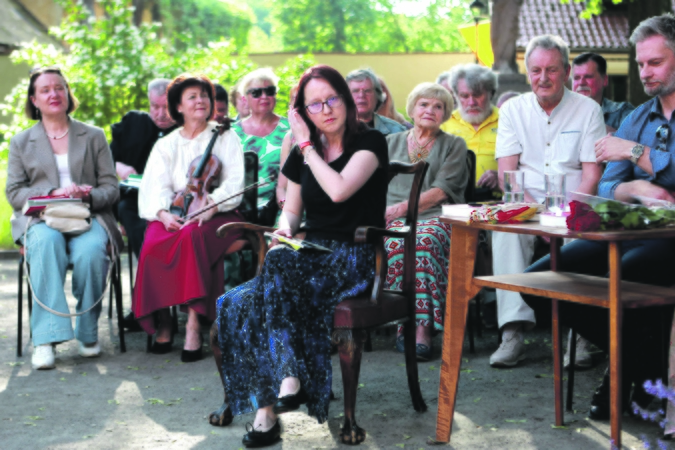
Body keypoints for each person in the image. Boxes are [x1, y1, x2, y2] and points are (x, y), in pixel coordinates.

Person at [209, 65, 388, 448]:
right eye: (314, 104)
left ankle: (288, 381)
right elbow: (291, 212)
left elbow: (339, 190)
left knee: (275, 268)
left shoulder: (370, 143)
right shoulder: (306, 150)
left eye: (331, 99)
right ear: (304, 112)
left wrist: (305, 145)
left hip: (352, 257)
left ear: (345, 98)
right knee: (236, 301)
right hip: (306, 258)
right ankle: (268, 409)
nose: (325, 110)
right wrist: (284, 231)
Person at [526, 15, 675, 427]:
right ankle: (636, 365)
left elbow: (625, 161)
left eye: (656, 63)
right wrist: (643, 189)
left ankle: (628, 380)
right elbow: (608, 188)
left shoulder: (631, 130)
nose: (645, 73)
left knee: (624, 277)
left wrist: (638, 156)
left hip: (671, 238)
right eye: (641, 64)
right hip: (629, 227)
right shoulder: (639, 117)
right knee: (542, 278)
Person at [490, 35, 605, 368]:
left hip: (575, 203)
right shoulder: (512, 109)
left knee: (587, 238)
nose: (543, 78)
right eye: (536, 70)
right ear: (528, 73)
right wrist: (539, 219)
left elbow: (591, 176)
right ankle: (512, 331)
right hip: (525, 203)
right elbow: (508, 176)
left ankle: (582, 334)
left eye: (552, 69)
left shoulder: (588, 110)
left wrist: (568, 217)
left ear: (567, 71)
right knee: (505, 232)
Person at [6, 67, 122, 370]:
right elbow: (15, 192)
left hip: (88, 215)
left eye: (59, 87)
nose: (54, 94)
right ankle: (45, 339)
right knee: (45, 244)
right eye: (45, 90)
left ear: (68, 93)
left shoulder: (93, 136)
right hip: (43, 219)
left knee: (91, 252)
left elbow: (111, 187)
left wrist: (87, 195)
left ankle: (87, 334)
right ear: (34, 99)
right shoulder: (21, 142)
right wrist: (53, 192)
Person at [132, 74, 245, 362]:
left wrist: (212, 204)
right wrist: (162, 213)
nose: (201, 101)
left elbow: (234, 183)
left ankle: (194, 324)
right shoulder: (166, 144)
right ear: (178, 106)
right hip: (176, 211)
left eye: (204, 95)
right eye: (192, 97)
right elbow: (154, 187)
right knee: (153, 241)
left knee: (191, 235)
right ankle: (164, 319)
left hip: (220, 215)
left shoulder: (225, 136)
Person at [385, 82, 469, 361]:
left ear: (445, 114)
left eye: (438, 106)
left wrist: (400, 209)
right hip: (390, 218)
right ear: (411, 109)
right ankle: (401, 321)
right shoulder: (389, 143)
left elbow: (442, 191)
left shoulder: (454, 145)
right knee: (397, 241)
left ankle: (422, 329)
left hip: (435, 216)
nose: (430, 110)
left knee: (422, 242)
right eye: (424, 104)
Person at [111, 79, 177, 332]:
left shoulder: (185, 129)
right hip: (133, 201)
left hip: (174, 203)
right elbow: (105, 156)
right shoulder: (134, 122)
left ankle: (148, 304)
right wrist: (118, 167)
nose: (160, 114)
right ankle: (153, 304)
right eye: (154, 107)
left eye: (165, 107)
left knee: (157, 230)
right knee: (138, 222)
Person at [232, 68, 290, 224]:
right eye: (256, 93)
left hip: (282, 206)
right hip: (239, 210)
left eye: (269, 91)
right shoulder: (231, 132)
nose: (264, 96)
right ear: (245, 99)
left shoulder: (291, 129)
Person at [441, 64, 501, 201]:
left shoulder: (507, 121)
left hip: (497, 203)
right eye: (464, 96)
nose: (471, 102)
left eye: (477, 95)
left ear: (491, 93)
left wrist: (502, 178)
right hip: (454, 204)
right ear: (455, 96)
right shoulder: (443, 124)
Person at [572, 52, 635, 133]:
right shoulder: (560, 112)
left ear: (605, 80)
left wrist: (594, 125)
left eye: (588, 77)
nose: (581, 82)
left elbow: (637, 142)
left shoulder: (622, 112)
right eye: (576, 78)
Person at [346, 68, 406, 135]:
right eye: (355, 91)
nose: (361, 95)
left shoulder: (396, 132)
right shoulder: (336, 129)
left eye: (367, 91)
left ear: (377, 97)